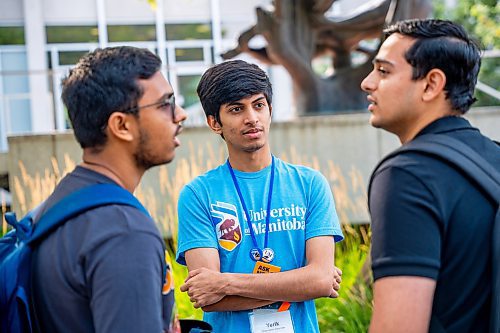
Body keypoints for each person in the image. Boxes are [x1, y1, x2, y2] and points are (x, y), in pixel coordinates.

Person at [176, 60, 344, 332]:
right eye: (236, 109)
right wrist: (303, 283)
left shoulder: (310, 184)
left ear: (269, 110)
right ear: (214, 122)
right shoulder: (198, 194)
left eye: (258, 105)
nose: (251, 117)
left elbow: (321, 279)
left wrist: (225, 283)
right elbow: (208, 298)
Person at [31, 46, 187, 332]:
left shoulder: (59, 203)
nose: (181, 114)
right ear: (121, 126)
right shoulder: (123, 232)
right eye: (166, 103)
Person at [361, 19, 500, 333]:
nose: (367, 83)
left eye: (383, 71)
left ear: (431, 84)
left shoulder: (407, 175)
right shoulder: (494, 158)